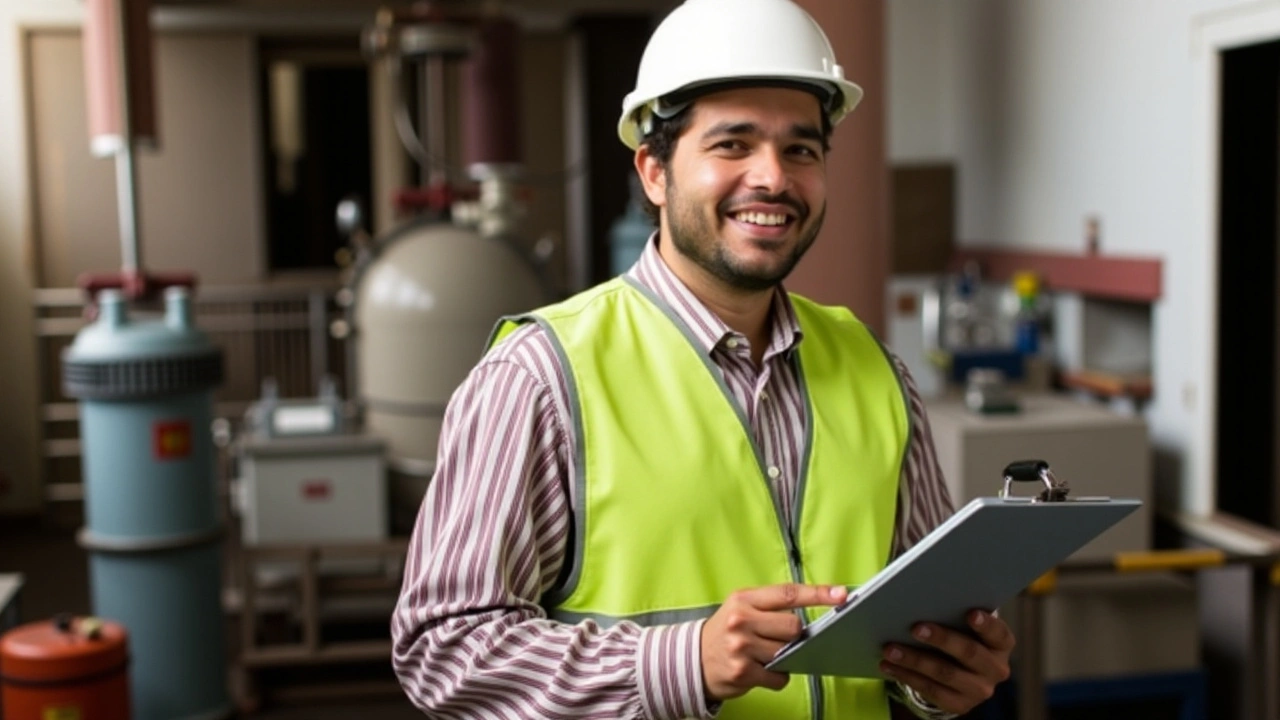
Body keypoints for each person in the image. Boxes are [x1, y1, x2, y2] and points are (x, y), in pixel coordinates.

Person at [391, 0, 1014, 718]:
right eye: (732, 145)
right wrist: (678, 663)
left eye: (801, 149)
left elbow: (912, 625)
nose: (773, 178)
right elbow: (443, 648)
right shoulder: (541, 378)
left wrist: (938, 677)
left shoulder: (877, 371)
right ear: (654, 172)